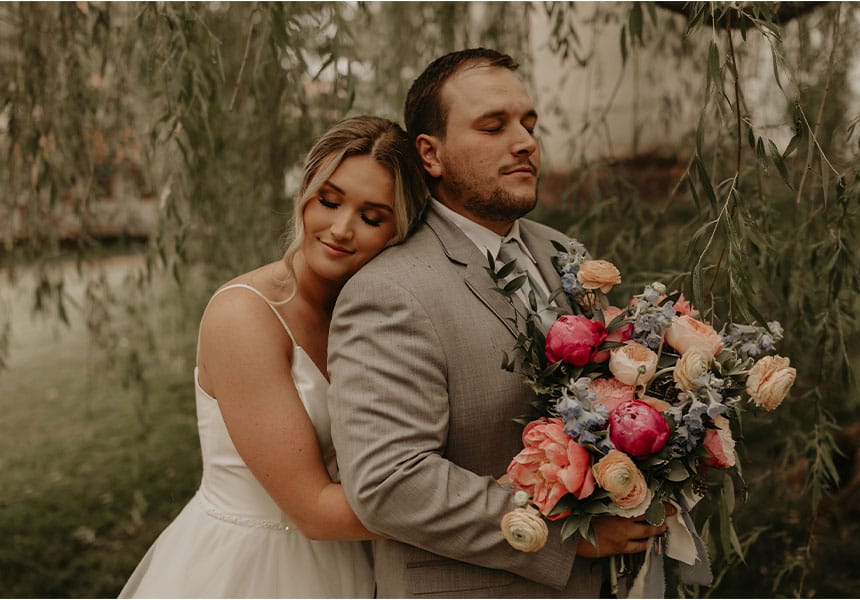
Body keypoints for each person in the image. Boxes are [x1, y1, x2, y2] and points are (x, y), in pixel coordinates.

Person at [328, 49, 669, 597]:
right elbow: (389, 481)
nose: (526, 142)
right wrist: (566, 534)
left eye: (529, 124)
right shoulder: (389, 291)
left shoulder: (560, 250)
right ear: (430, 155)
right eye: (493, 126)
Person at [119, 115, 428, 598]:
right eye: (329, 202)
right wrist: (473, 511)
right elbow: (312, 510)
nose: (341, 229)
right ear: (305, 194)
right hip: (255, 568)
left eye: (372, 217)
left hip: (357, 561)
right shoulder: (244, 316)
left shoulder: (376, 316)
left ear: (400, 230)